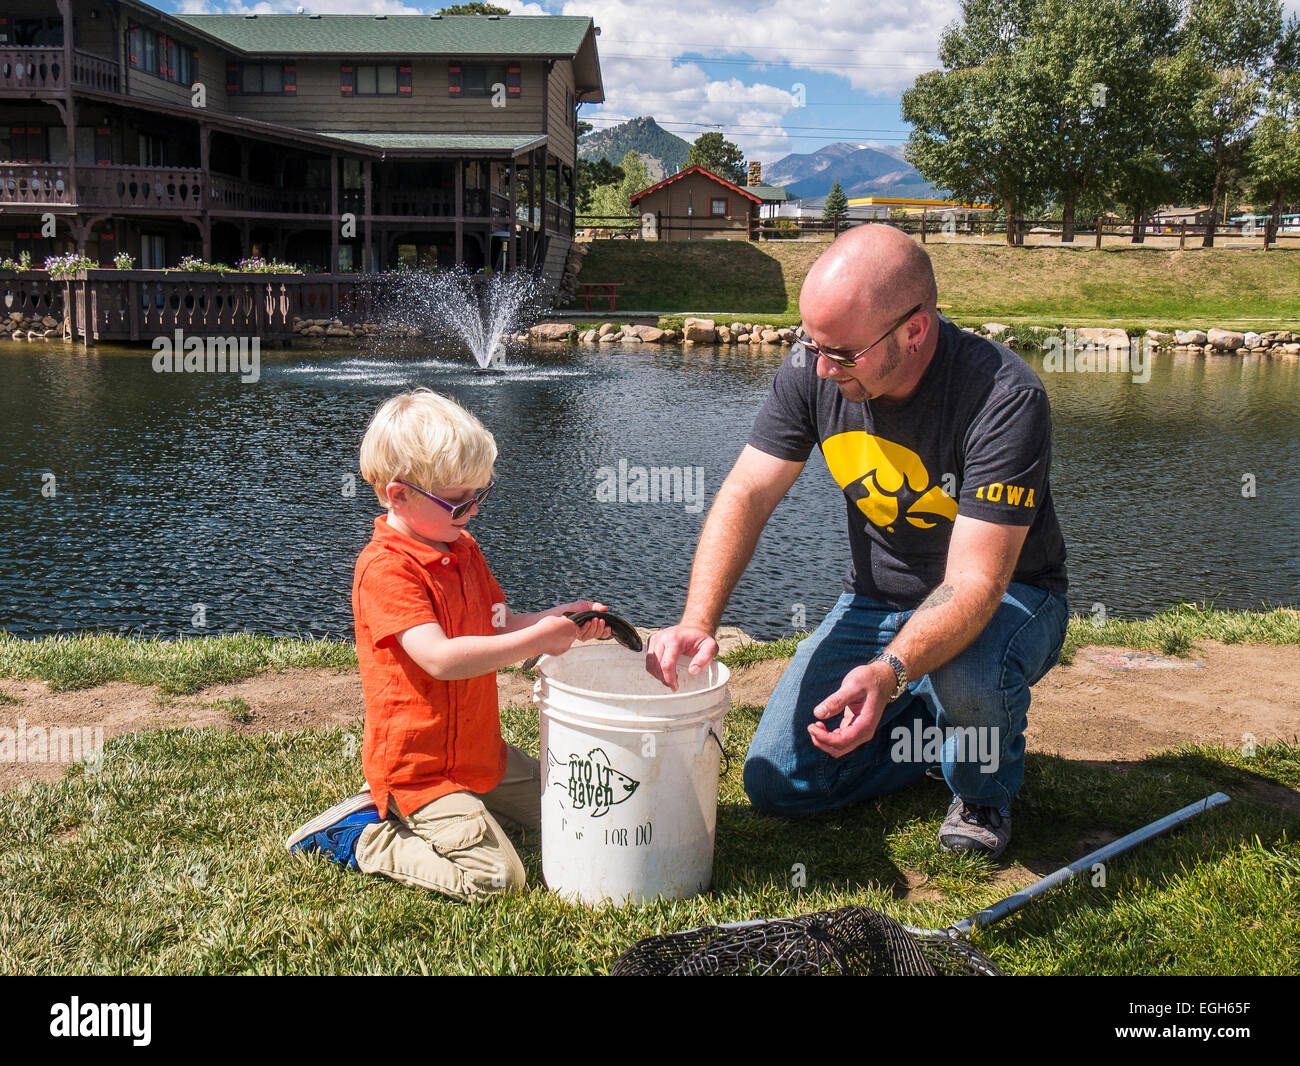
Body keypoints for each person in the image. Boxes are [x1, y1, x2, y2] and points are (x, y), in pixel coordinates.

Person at [646, 225, 1068, 859]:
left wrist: (889, 670)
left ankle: (981, 789)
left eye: (841, 353)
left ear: (915, 331)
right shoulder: (813, 370)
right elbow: (748, 495)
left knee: (968, 670)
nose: (821, 367)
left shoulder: (1003, 398)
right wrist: (698, 620)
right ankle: (932, 733)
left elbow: (977, 583)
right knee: (776, 782)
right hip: (876, 599)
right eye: (809, 343)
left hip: (1013, 597)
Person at [286, 388, 610, 899]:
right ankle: (362, 835)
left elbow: (499, 622)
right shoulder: (386, 569)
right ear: (399, 495)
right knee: (498, 879)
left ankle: (455, 808)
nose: (474, 509)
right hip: (421, 771)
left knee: (574, 816)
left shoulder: (463, 548)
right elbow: (439, 659)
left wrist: (558, 619)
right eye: (459, 500)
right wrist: (537, 642)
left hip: (482, 757)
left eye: (481, 494)